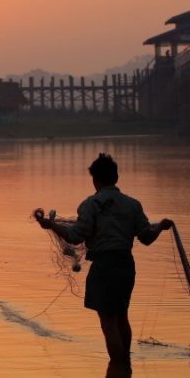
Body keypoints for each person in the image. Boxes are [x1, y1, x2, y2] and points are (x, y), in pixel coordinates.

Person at [36, 153, 173, 362]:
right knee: (122, 317)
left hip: (103, 267)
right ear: (116, 177)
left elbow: (74, 237)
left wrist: (51, 225)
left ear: (95, 180)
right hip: (126, 266)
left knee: (108, 323)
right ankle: (125, 369)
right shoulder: (132, 205)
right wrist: (161, 226)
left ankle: (119, 371)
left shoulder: (90, 205)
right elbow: (146, 237)